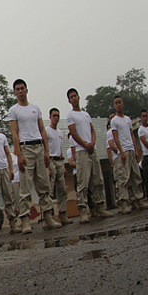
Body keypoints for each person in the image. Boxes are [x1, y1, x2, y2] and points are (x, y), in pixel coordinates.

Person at [7, 79, 61, 233]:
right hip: (25, 148)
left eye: (23, 88)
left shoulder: (35, 108)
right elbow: (14, 133)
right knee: (25, 187)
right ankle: (25, 220)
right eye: (17, 89)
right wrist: (19, 153)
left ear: (27, 90)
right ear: (15, 92)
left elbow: (42, 129)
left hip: (39, 146)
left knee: (44, 185)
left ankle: (48, 217)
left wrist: (46, 150)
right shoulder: (14, 110)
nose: (21, 91)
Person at [65, 88, 113, 223]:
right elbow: (73, 133)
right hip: (81, 151)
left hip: (93, 150)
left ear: (79, 97)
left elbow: (92, 130)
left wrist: (92, 143)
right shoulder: (70, 116)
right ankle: (83, 211)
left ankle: (100, 207)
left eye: (75, 96)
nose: (74, 98)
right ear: (69, 100)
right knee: (83, 182)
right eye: (72, 97)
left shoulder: (86, 114)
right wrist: (85, 144)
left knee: (97, 180)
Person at [110, 97, 147, 213]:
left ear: (123, 103)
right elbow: (115, 137)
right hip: (123, 151)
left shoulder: (127, 119)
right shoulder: (114, 121)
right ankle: (124, 202)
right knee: (123, 178)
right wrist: (121, 152)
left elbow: (132, 135)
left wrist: (136, 150)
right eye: (116, 103)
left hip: (131, 149)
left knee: (136, 175)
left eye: (120, 103)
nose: (118, 105)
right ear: (114, 105)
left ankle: (138, 199)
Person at [46, 108, 70, 224]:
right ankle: (49, 216)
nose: (56, 118)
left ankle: (63, 214)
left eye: (57, 116)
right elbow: (45, 149)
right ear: (50, 117)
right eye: (54, 115)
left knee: (62, 190)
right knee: (49, 191)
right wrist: (47, 166)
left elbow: (60, 149)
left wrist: (64, 165)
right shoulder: (47, 131)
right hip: (50, 160)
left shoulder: (60, 132)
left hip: (59, 160)